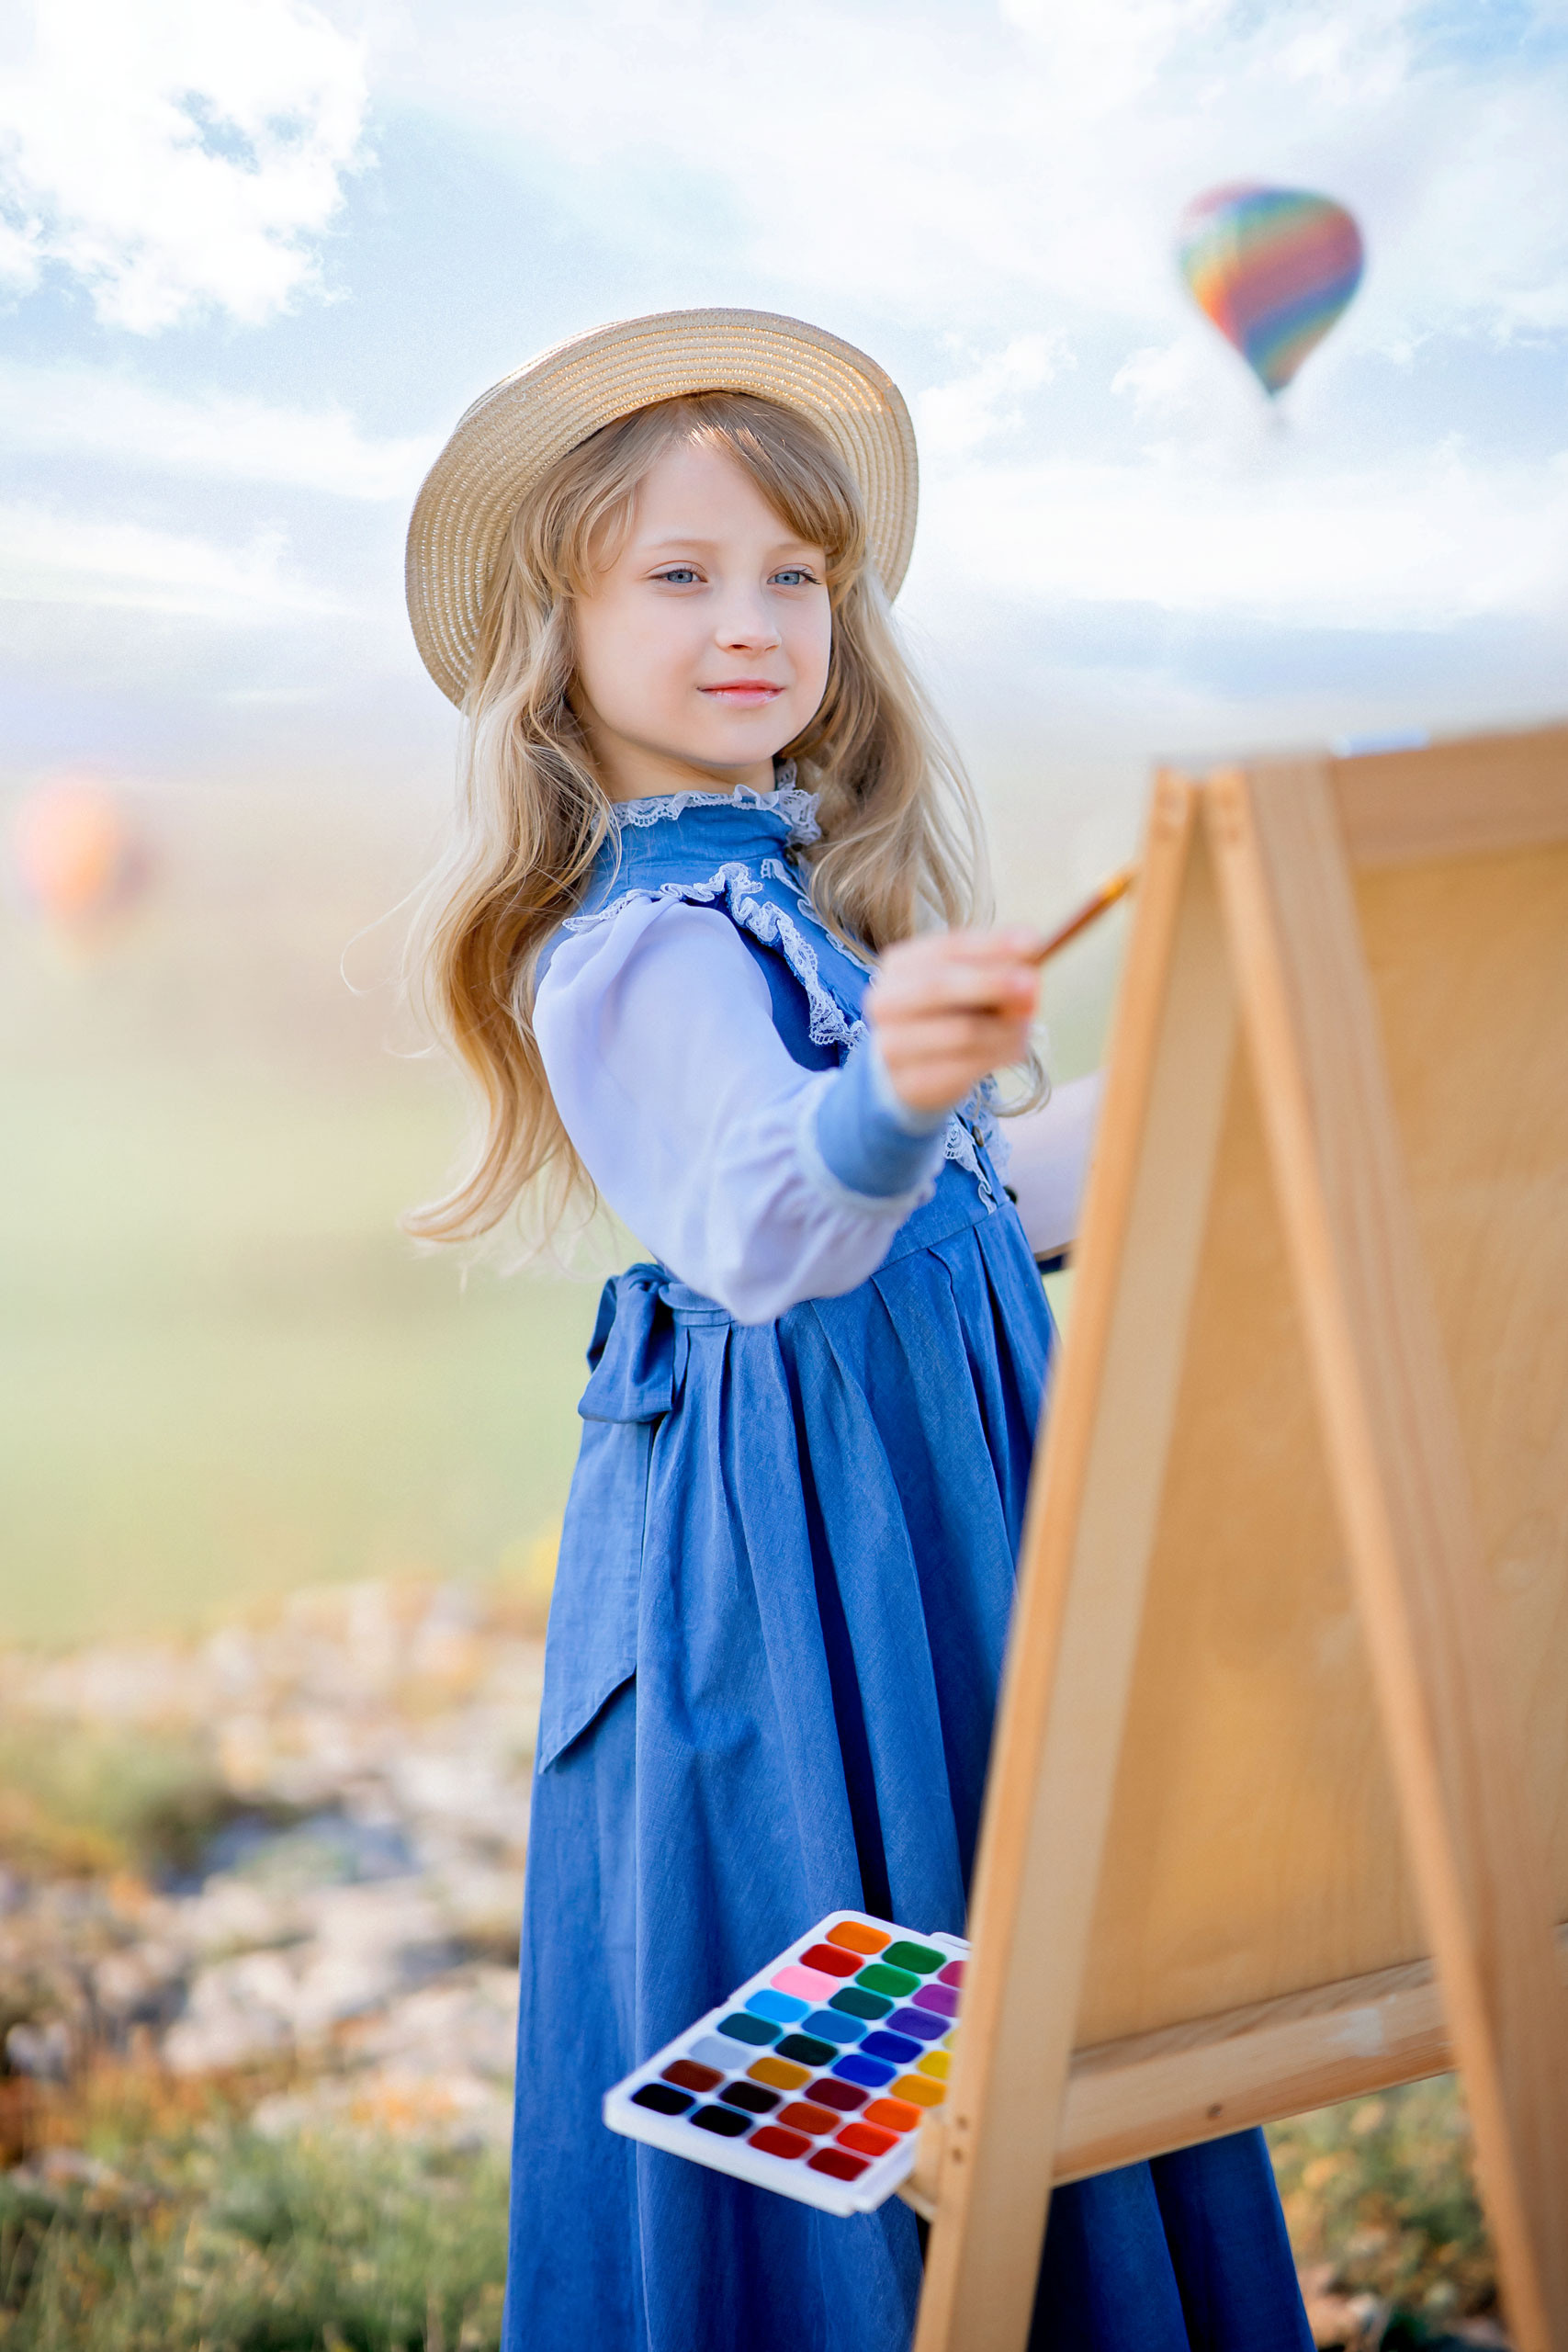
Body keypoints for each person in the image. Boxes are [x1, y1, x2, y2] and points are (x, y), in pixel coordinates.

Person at [401, 310, 1311, 2352]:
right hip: (799, 1587)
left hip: (949, 1531)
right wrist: (889, 1084)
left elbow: (977, 1206)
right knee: (849, 1951)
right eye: (679, 573)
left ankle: (1075, 2295)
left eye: (793, 576)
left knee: (1020, 1915)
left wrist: (1213, 1051)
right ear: (557, 640)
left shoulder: (810, 909)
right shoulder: (633, 952)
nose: (751, 621)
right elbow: (771, 1220)